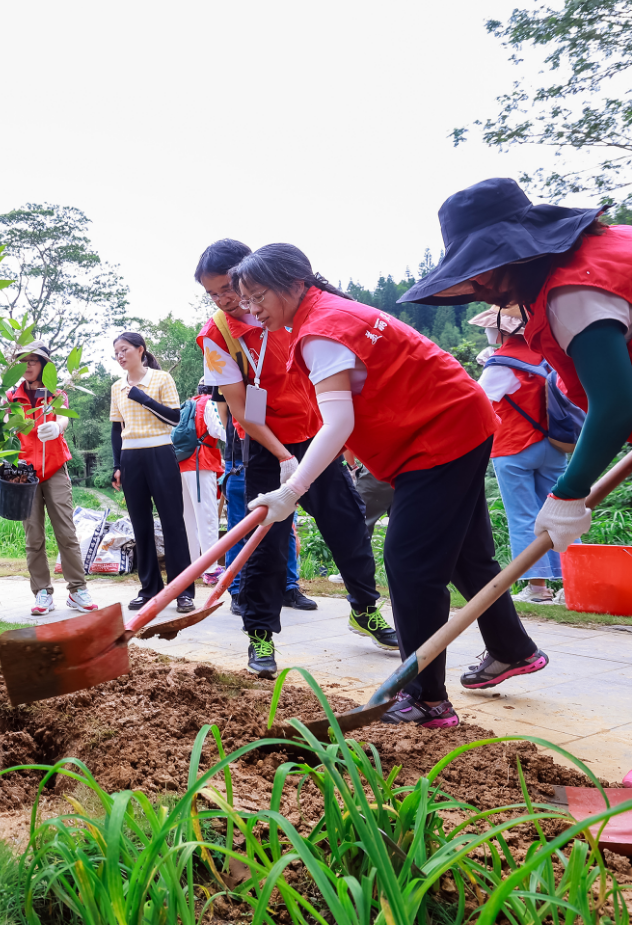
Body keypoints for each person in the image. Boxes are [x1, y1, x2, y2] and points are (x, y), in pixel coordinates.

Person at [402, 177, 632, 781]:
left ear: (504, 262)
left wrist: (569, 492)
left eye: (481, 275)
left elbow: (614, 404)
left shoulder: (575, 290)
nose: (480, 290)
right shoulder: (604, 254)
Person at [234, 242, 547, 727]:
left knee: (409, 563)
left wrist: (290, 491)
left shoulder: (321, 330)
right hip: (452, 422)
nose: (250, 308)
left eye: (257, 295)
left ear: (296, 285)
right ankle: (512, 648)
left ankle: (426, 698)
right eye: (243, 299)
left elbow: (336, 421)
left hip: (441, 434)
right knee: (464, 554)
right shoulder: (326, 315)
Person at [195, 239, 393, 679]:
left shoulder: (293, 309)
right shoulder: (218, 336)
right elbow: (243, 412)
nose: (226, 300)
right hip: (268, 447)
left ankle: (365, 609)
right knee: (267, 543)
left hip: (321, 437)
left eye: (230, 288)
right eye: (214, 294)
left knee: (349, 526)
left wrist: (347, 443)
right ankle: (260, 635)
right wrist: (285, 458)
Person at [469, 307, 568, 604]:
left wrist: (486, 368)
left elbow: (477, 404)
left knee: (524, 517)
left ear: (501, 331)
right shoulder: (548, 358)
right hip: (554, 445)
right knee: (562, 516)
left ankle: (538, 587)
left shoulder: (499, 362)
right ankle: (573, 586)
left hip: (514, 448)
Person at [6, 341, 99, 615]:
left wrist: (58, 425)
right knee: (33, 536)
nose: (28, 366)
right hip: (24, 473)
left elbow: (65, 418)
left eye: (33, 360)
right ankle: (42, 593)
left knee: (66, 532)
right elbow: (1, 426)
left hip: (55, 468)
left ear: (45, 364)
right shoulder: (12, 397)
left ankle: (77, 590)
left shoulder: (57, 394)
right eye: (23, 361)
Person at [110, 333, 196, 613]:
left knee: (172, 521)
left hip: (160, 452)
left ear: (140, 350)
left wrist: (143, 398)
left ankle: (182, 591)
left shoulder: (161, 379)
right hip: (130, 457)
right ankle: (149, 588)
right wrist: (117, 466)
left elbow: (174, 418)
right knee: (140, 524)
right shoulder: (116, 387)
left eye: (125, 350)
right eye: (117, 353)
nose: (121, 356)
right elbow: (115, 429)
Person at [179, 380, 227, 583]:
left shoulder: (188, 404)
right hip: (201, 463)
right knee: (207, 517)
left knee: (188, 519)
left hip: (182, 465)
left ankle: (193, 567)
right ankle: (211, 570)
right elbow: (218, 430)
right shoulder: (210, 402)